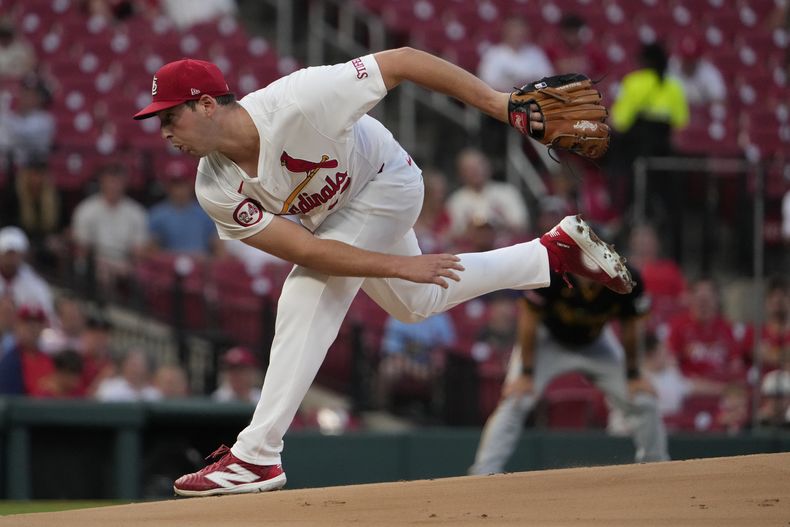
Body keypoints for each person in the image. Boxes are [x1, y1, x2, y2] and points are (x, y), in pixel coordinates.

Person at [132, 49, 634, 496]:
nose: (165, 132)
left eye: (169, 116)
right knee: (417, 304)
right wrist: (401, 267)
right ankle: (554, 253)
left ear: (205, 104)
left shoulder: (302, 99)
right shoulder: (213, 186)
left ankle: (256, 455)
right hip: (336, 217)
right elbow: (308, 249)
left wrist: (499, 104)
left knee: (306, 294)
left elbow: (403, 62)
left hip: (387, 180)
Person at [469, 269, 669, 475]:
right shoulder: (551, 270)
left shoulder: (625, 275)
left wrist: (634, 374)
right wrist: (526, 373)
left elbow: (631, 323)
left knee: (643, 400)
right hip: (548, 340)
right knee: (516, 399)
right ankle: (483, 473)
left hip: (597, 344)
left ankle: (656, 468)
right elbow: (528, 318)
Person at [71, 163, 149, 292]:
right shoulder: (86, 209)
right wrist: (106, 266)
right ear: (102, 181)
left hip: (124, 265)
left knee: (143, 272)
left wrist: (127, 266)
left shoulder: (136, 212)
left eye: (118, 181)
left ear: (125, 183)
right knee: (99, 271)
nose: (114, 186)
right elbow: (82, 250)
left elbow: (138, 251)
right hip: (94, 265)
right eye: (110, 181)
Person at [445, 147, 529, 240]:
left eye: (479, 165)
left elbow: (523, 227)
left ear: (488, 166)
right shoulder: (455, 201)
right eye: (469, 168)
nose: (475, 171)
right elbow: (450, 236)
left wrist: (501, 222)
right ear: (460, 174)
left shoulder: (508, 192)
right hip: (471, 252)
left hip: (505, 249)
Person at [147, 158, 219, 256]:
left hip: (201, 267)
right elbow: (151, 252)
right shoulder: (157, 214)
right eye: (175, 184)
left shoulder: (205, 213)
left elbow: (219, 251)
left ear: (191, 184)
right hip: (168, 266)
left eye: (183, 184)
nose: (179, 190)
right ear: (167, 186)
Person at [0, 226, 55, 319]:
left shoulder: (35, 284)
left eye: (15, 253)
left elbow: (48, 315)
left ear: (23, 254)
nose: (11, 258)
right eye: (8, 253)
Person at [667, 35, 726, 107]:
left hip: (700, 115)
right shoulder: (670, 68)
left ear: (698, 59)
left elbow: (720, 101)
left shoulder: (708, 72)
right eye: (686, 59)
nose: (688, 63)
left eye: (692, 60)